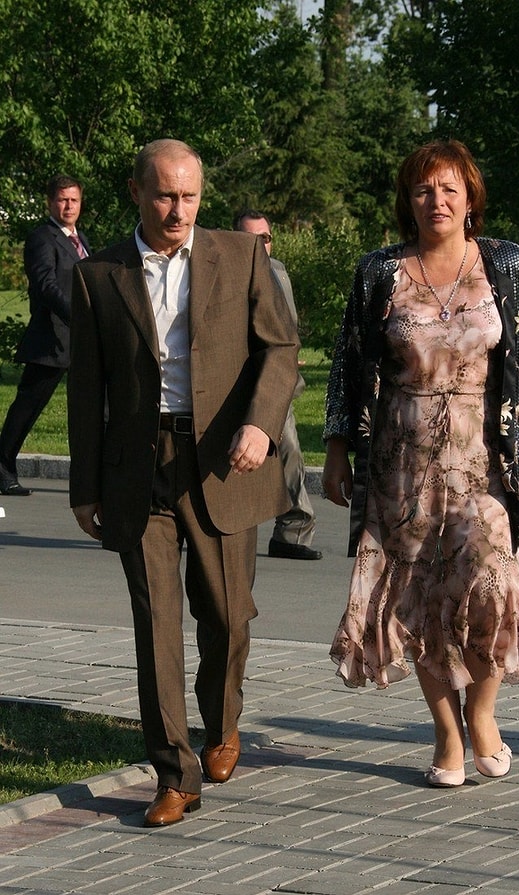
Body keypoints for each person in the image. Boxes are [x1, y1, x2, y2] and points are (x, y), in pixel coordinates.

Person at [68, 139, 299, 826]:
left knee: (226, 615)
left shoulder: (241, 255)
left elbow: (280, 349)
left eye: (190, 196)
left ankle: (222, 722)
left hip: (223, 460)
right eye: (166, 195)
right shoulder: (98, 275)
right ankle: (174, 773)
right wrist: (85, 485)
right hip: (138, 468)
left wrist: (261, 424)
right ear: (136, 191)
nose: (179, 210)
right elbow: (86, 388)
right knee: (156, 623)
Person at [322, 139, 519, 788]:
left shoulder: (506, 265)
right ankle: (446, 732)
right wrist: (339, 448)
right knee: (419, 599)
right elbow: (348, 364)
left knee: (492, 585)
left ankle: (481, 713)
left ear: (470, 198)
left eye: (450, 188)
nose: (438, 200)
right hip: (401, 463)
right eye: (425, 189)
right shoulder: (380, 272)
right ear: (408, 199)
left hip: (484, 460)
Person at [233, 210, 322, 560]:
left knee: (288, 452)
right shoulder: (222, 274)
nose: (260, 245)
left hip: (274, 383)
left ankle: (293, 531)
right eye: (250, 239)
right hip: (233, 383)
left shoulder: (279, 272)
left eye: (265, 239)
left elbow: (288, 328)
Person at [0, 175, 90, 496]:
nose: (69, 206)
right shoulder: (42, 238)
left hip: (80, 341)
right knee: (28, 407)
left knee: (97, 407)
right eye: (62, 200)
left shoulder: (80, 240)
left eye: (74, 200)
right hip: (51, 339)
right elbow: (46, 286)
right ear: (50, 203)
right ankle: (2, 467)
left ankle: (97, 475)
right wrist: (78, 317)